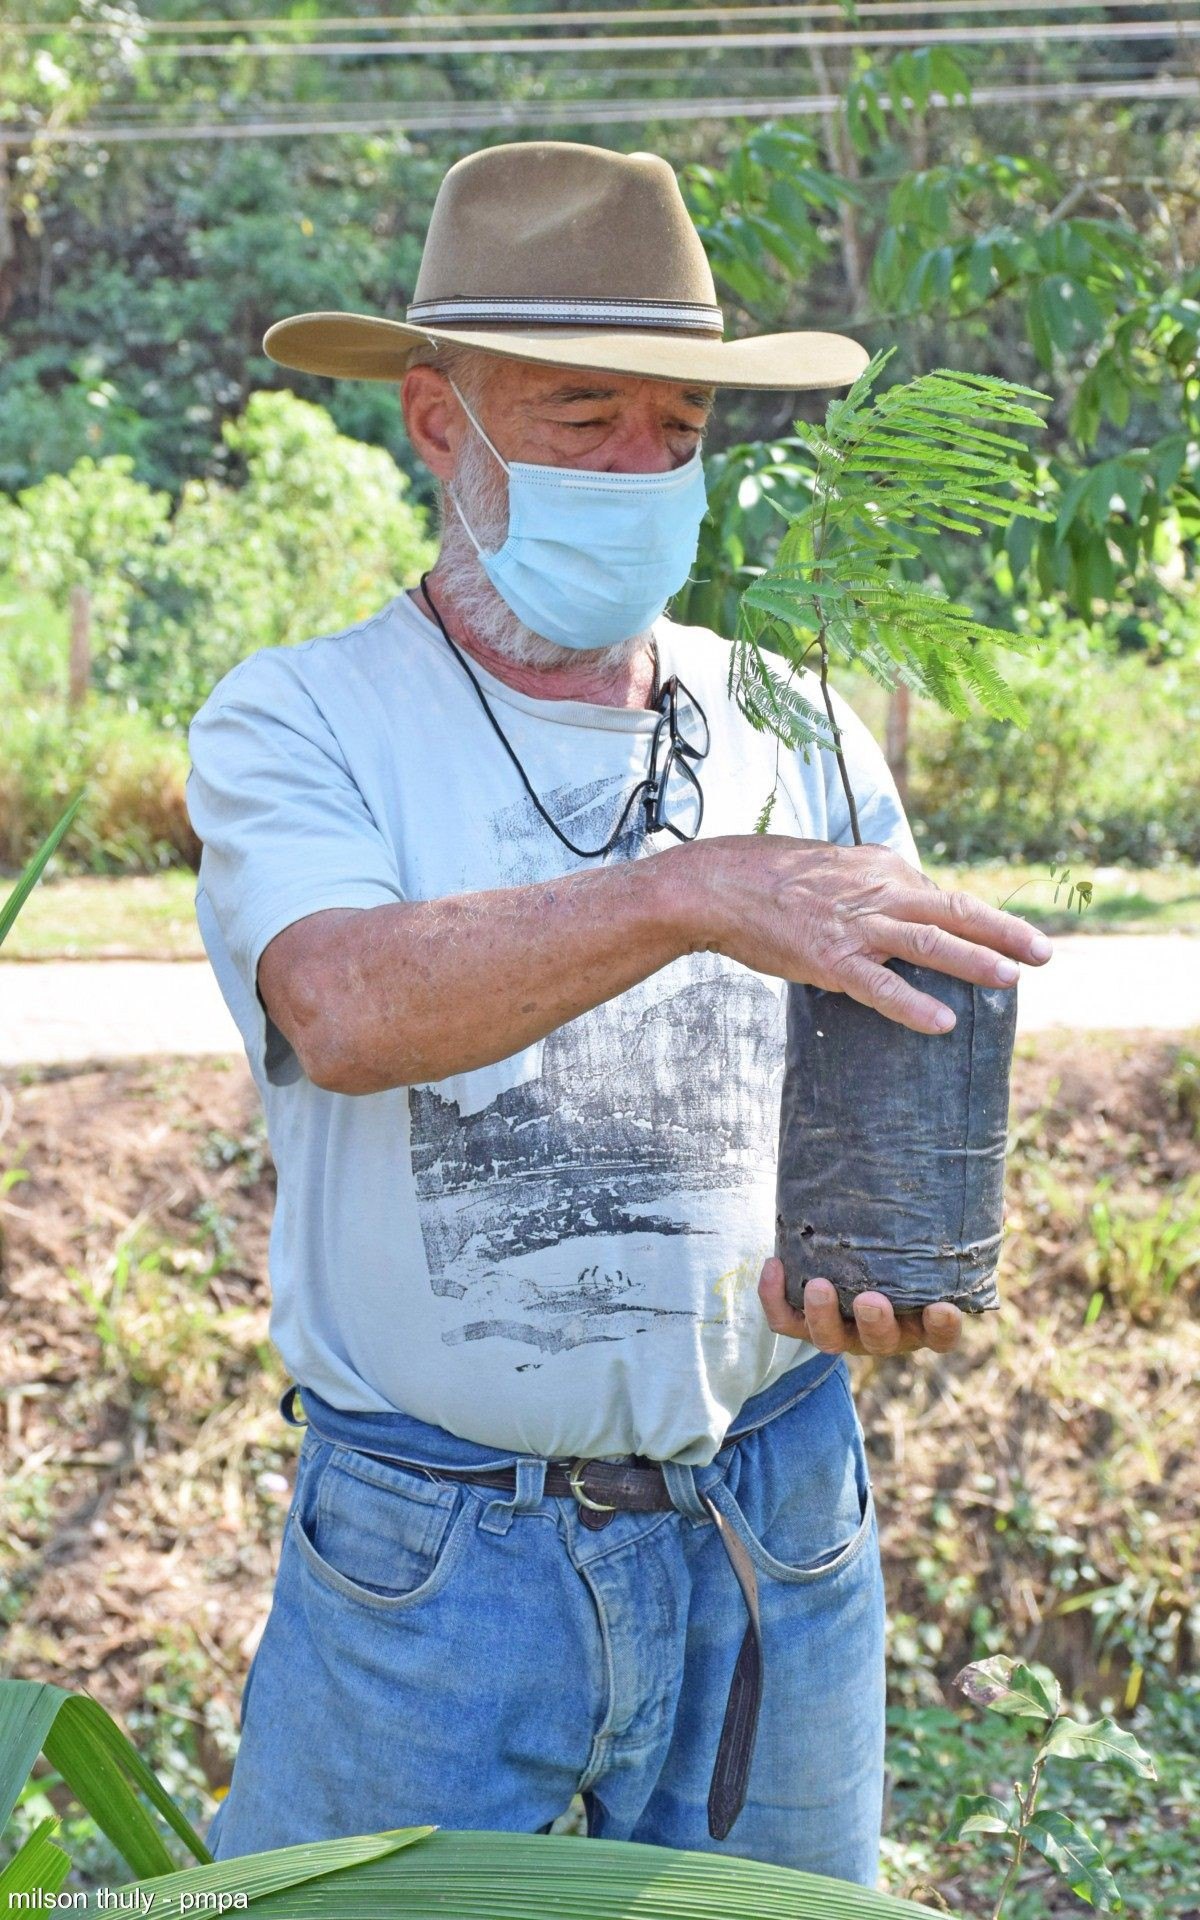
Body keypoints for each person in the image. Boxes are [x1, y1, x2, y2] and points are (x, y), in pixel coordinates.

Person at [185, 140, 1052, 1883]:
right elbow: (340, 1004)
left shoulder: (793, 716)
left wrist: (887, 1265)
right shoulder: (302, 719)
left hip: (773, 1519)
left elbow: (891, 1042)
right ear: (439, 422)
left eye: (680, 426)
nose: (644, 469)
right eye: (585, 418)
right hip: (436, 1560)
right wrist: (683, 892)